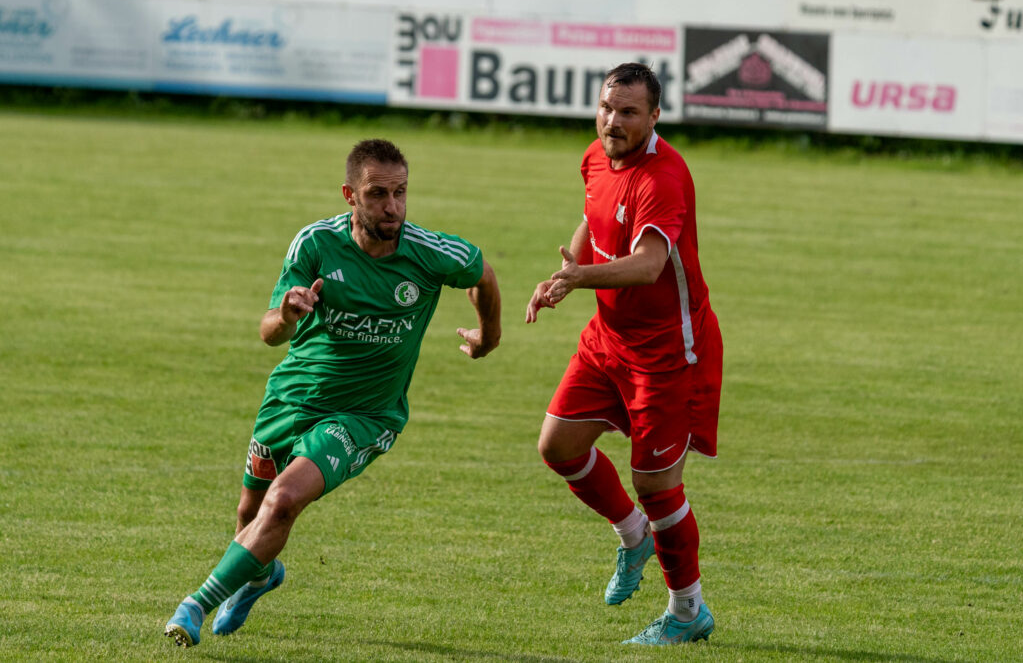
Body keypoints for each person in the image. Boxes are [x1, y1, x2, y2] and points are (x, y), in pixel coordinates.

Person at [165, 138, 502, 647]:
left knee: (283, 501)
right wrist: (287, 313)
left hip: (365, 415)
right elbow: (269, 333)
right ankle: (260, 576)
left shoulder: (431, 252)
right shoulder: (315, 244)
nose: (392, 207)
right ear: (350, 195)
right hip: (291, 399)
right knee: (249, 515)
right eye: (377, 194)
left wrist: (488, 338)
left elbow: (482, 275)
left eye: (400, 193)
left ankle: (193, 606)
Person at [526, 63, 722, 646]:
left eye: (629, 112)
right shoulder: (595, 155)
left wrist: (581, 277)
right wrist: (566, 272)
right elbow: (593, 217)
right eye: (607, 108)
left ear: (654, 116)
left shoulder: (663, 177)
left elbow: (650, 265)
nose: (613, 121)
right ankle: (633, 535)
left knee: (657, 486)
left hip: (668, 352)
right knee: (558, 446)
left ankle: (688, 612)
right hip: (608, 338)